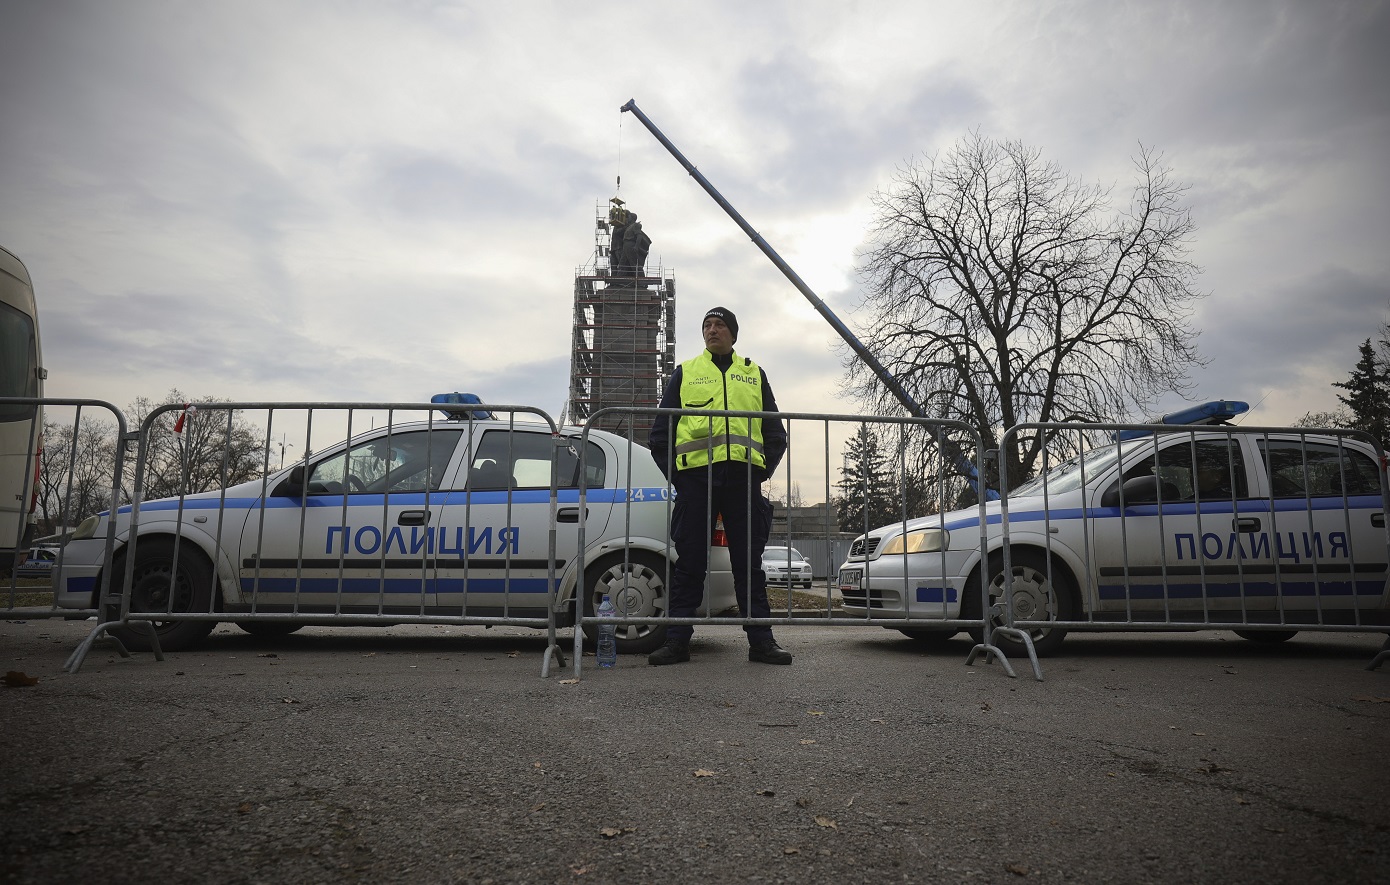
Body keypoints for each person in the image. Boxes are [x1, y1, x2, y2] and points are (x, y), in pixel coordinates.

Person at [647, 306, 791, 665]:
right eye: (707, 325)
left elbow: (775, 434)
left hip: (743, 480)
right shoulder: (686, 373)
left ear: (733, 333)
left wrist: (760, 473)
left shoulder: (754, 374)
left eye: (720, 325)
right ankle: (678, 641)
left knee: (748, 564)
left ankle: (762, 642)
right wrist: (679, 476)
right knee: (690, 562)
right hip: (697, 481)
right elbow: (660, 435)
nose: (713, 330)